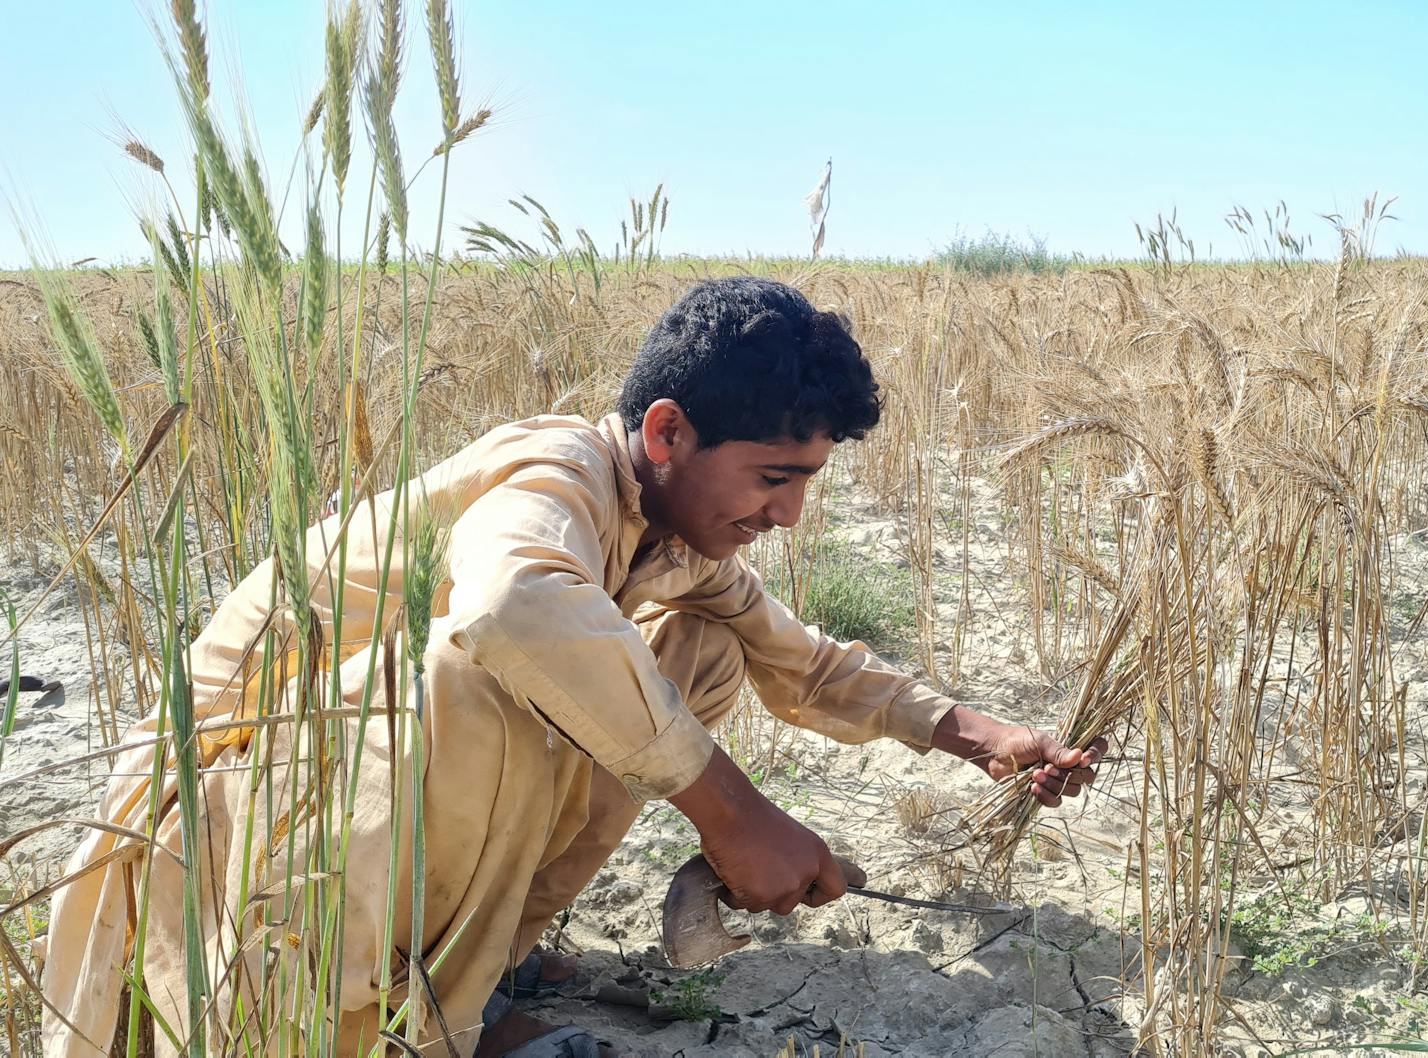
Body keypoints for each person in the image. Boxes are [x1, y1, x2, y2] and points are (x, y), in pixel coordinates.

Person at [39, 277, 1106, 1057]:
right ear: (667, 431)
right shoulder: (553, 472)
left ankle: (479, 970)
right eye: (773, 477)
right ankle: (381, 1025)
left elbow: (806, 662)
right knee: (483, 674)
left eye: (805, 483)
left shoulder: (673, 540)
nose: (787, 514)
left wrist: (979, 736)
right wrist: (730, 815)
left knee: (694, 645)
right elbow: (510, 605)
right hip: (229, 837)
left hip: (329, 824)